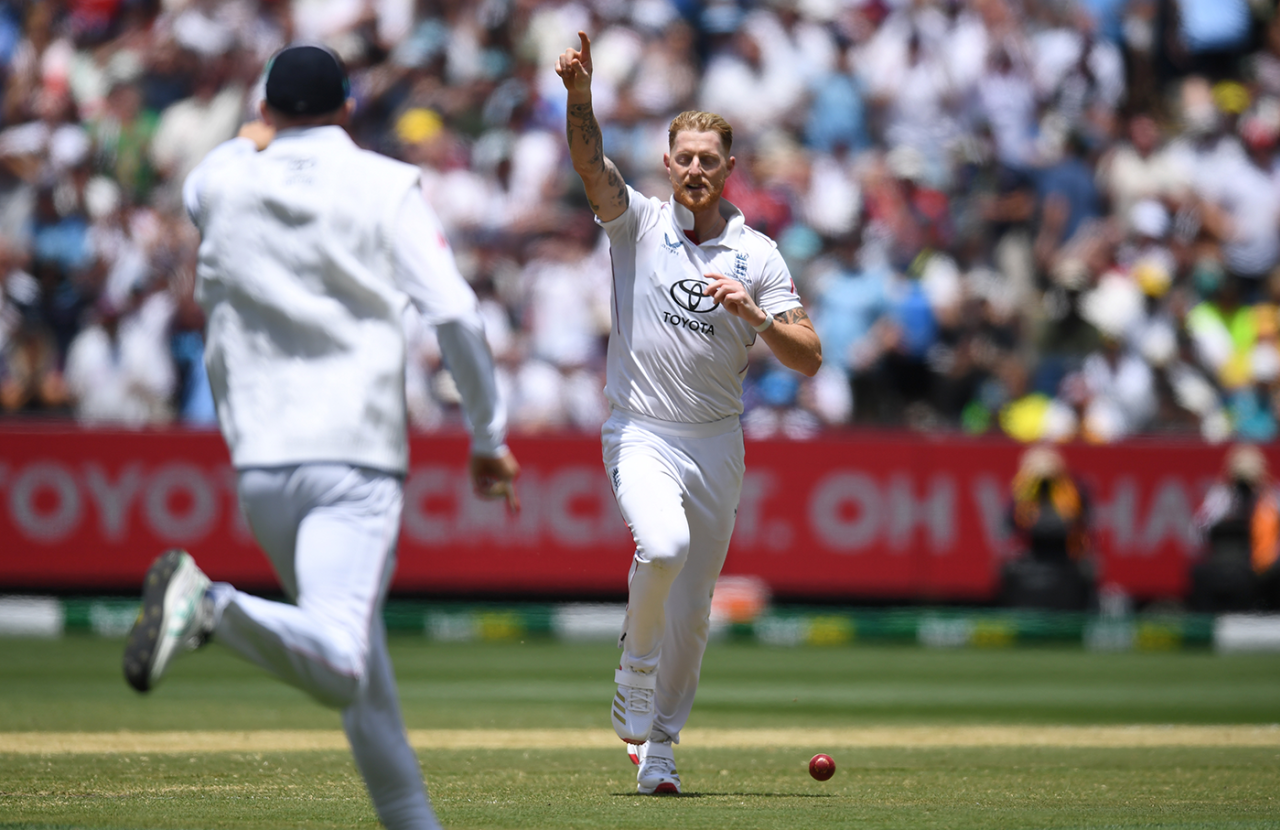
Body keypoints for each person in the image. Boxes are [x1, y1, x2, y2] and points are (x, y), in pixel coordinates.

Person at [120, 44, 520, 830]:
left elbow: (225, 163)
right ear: (348, 106)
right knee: (340, 664)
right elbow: (455, 313)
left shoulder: (220, 179)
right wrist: (487, 433)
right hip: (354, 451)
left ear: (266, 110)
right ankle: (212, 608)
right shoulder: (383, 183)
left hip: (261, 458)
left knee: (361, 674)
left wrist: (253, 136)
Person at [554, 32, 822, 795]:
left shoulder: (757, 255)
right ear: (667, 165)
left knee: (695, 613)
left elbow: (810, 355)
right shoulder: (637, 223)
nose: (696, 169)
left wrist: (760, 321)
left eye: (711, 158)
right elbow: (589, 166)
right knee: (662, 545)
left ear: (729, 168)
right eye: (685, 158)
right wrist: (581, 96)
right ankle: (633, 669)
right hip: (640, 428)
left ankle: (662, 749)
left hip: (716, 443)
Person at [1002, 445, 1096, 611]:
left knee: (1090, 569)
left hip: (1068, 557)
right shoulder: (1024, 490)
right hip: (1032, 555)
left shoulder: (1072, 490)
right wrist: (1029, 489)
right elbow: (1013, 523)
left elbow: (1075, 522)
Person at [1190, 445, 1280, 612]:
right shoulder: (1221, 497)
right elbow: (1199, 528)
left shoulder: (1272, 498)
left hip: (1266, 570)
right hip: (1227, 567)